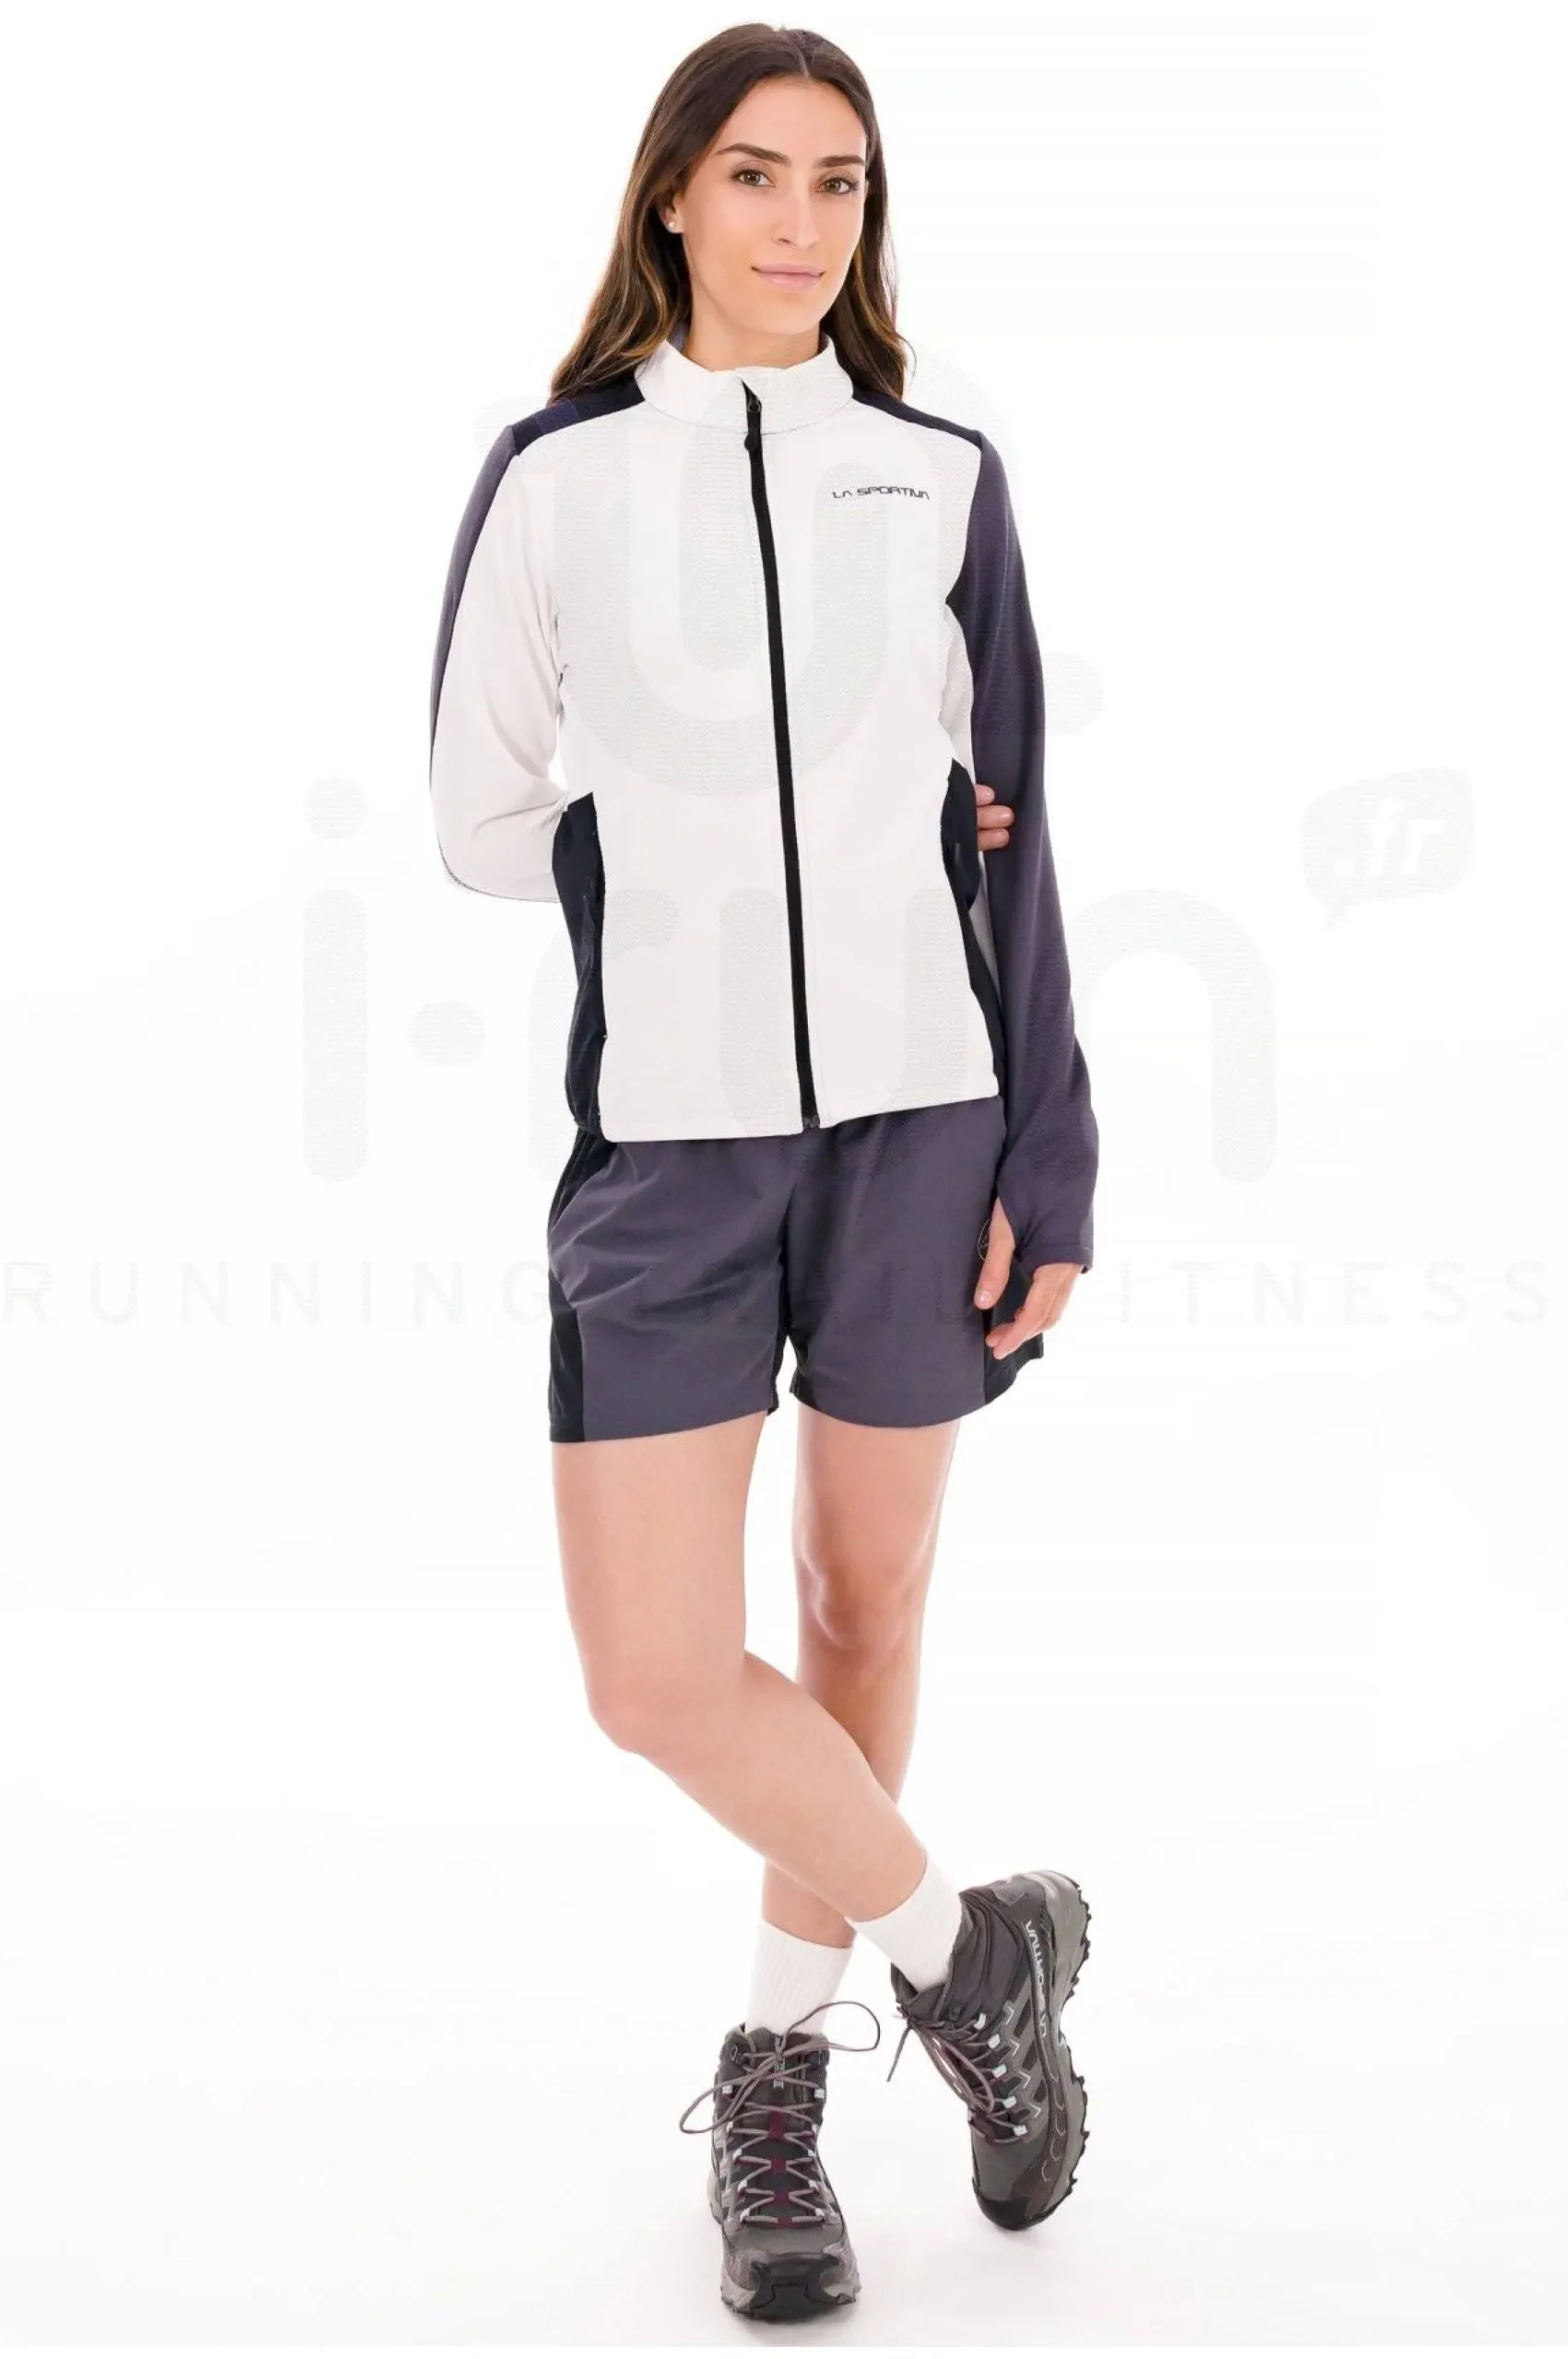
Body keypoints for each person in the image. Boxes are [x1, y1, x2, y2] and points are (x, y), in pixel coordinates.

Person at [427, 22, 1097, 2324]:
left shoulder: (938, 473)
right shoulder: (558, 478)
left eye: (839, 181)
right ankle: (969, 1950)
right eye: (754, 175)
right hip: (671, 1140)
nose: (801, 221)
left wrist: (1052, 1147)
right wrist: (689, 849)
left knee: (854, 1610)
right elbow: (479, 813)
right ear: (670, 200)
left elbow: (1014, 833)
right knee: (647, 1670)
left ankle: (778, 2082)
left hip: (927, 1120)